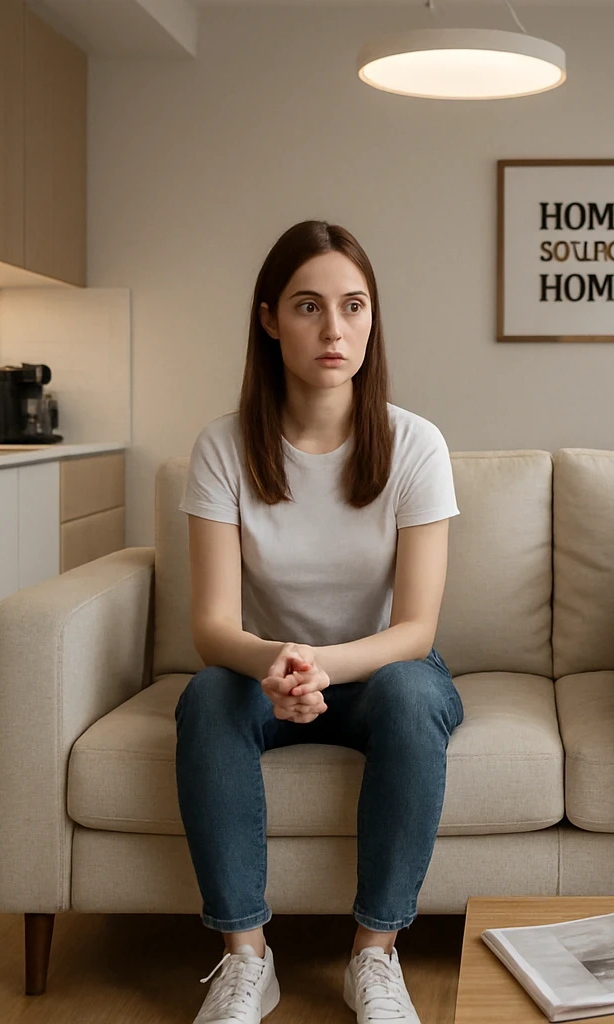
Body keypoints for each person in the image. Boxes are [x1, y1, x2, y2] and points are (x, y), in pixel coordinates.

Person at [175, 220, 460, 1024]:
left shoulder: (416, 445)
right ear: (270, 319)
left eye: (353, 306)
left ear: (372, 318)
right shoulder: (222, 448)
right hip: (267, 674)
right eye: (309, 306)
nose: (334, 329)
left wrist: (323, 666)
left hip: (379, 673)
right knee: (206, 696)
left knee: (411, 693)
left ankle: (375, 956)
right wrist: (278, 664)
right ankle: (246, 959)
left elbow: (416, 630)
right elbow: (212, 627)